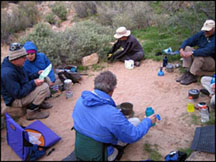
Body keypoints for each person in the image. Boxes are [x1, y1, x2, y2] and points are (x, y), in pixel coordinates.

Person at [72, 71, 157, 161]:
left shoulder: (80, 100)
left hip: (80, 152)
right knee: (135, 122)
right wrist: (148, 121)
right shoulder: (111, 113)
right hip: (100, 157)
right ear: (112, 90)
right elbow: (133, 135)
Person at [1, 43, 52, 120]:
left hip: (21, 91)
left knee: (44, 79)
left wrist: (36, 74)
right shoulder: (8, 73)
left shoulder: (17, 65)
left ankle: (39, 103)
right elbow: (18, 94)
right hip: (15, 100)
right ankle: (31, 112)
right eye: (24, 57)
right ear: (16, 59)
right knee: (44, 87)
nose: (26, 59)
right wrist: (33, 83)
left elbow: (25, 78)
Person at [176, 19, 215, 85]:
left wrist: (192, 53)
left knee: (199, 55)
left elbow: (208, 50)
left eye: (208, 31)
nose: (206, 32)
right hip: (202, 57)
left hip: (212, 62)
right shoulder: (202, 34)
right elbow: (189, 40)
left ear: (213, 29)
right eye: (205, 30)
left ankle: (192, 75)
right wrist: (181, 49)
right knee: (187, 48)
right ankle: (187, 71)